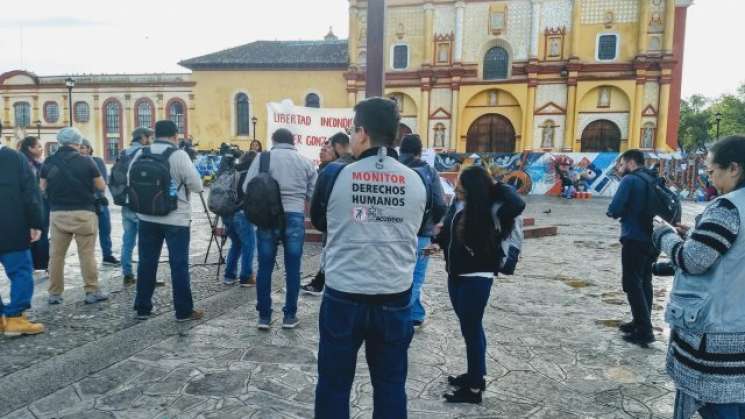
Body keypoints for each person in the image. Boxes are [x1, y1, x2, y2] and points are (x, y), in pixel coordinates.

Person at [311, 97, 427, 418]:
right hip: (394, 295)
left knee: (334, 384)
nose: (349, 136)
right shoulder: (417, 180)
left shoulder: (334, 175)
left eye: (351, 130)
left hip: (344, 294)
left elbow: (321, 222)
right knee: (390, 385)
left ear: (362, 133)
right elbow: (421, 224)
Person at [652, 136, 745, 419]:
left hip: (719, 335)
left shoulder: (728, 208)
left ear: (733, 168)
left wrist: (664, 235)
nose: (709, 177)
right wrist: (694, 236)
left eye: (712, 170)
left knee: (721, 406)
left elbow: (692, 261)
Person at [433, 165, 525, 404]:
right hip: (456, 274)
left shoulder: (493, 207)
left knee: (472, 330)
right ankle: (475, 375)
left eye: (461, 184)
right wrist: (437, 242)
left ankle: (474, 389)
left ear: (473, 186)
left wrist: (495, 186)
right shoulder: (459, 203)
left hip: (477, 277)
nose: (456, 187)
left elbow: (518, 204)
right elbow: (450, 234)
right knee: (470, 328)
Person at [242, 128, 317, 329]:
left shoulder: (262, 159)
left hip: (268, 218)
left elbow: (246, 187)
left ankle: (264, 317)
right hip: (294, 216)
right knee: (293, 268)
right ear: (293, 141)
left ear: (274, 140)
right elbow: (313, 193)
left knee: (265, 266)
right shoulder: (305, 161)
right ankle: (290, 316)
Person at [133, 120, 205, 322]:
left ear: (155, 134)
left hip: (146, 216)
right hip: (176, 219)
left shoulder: (142, 152)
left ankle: (142, 308)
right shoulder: (179, 154)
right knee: (178, 265)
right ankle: (183, 311)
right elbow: (197, 185)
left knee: (146, 262)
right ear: (175, 136)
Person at [40, 127, 109, 305]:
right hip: (84, 213)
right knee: (87, 254)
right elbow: (101, 186)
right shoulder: (87, 161)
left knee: (56, 255)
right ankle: (91, 291)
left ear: (59, 142)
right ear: (78, 142)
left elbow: (42, 187)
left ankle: (54, 294)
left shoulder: (49, 160)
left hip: (58, 213)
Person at [607, 149, 657, 347]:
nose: (620, 168)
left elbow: (615, 208)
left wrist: (614, 212)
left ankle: (644, 330)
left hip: (634, 237)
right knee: (645, 280)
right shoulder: (652, 178)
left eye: (621, 164)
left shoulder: (630, 180)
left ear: (630, 162)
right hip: (652, 238)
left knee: (632, 282)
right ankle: (641, 321)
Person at [398, 134, 447, 329]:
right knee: (416, 277)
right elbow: (439, 202)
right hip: (421, 234)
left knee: (400, 275)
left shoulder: (394, 167)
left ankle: (417, 313)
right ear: (419, 151)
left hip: (396, 232)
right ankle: (405, 316)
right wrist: (433, 225)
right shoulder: (428, 171)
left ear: (401, 150)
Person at [0, 126, 45, 336]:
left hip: (11, 226)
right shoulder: (15, 159)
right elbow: (31, 193)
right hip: (11, 227)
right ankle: (15, 317)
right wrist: (36, 223)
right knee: (20, 271)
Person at [302, 132, 355, 296]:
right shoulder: (356, 164)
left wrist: (324, 223)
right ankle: (320, 282)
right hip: (351, 223)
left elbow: (318, 208)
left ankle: (323, 285)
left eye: (329, 146)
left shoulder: (335, 168)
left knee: (330, 255)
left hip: (334, 223)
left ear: (337, 147)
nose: (325, 150)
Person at [119, 127, 156, 286]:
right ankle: (146, 277)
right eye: (150, 137)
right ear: (143, 137)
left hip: (125, 202)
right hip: (141, 203)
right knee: (145, 242)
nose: (151, 140)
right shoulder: (144, 152)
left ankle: (127, 274)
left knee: (128, 240)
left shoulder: (124, 153)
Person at [80, 139, 120, 266]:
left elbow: (103, 180)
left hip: (99, 201)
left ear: (90, 148)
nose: (83, 150)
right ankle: (87, 258)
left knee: (105, 229)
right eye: (80, 147)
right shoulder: (76, 163)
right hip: (84, 203)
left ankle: (107, 255)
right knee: (87, 233)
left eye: (85, 147)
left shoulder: (97, 161)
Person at [223, 151, 258, 287]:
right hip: (242, 214)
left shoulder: (234, 171)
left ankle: (229, 276)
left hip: (227, 213)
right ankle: (246, 277)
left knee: (236, 244)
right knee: (249, 245)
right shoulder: (250, 174)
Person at [19, 136, 49, 275]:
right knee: (39, 232)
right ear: (30, 148)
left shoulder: (34, 163)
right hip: (36, 203)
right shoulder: (29, 164)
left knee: (35, 233)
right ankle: (39, 264)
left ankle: (36, 264)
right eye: (38, 146)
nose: (41, 149)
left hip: (34, 202)